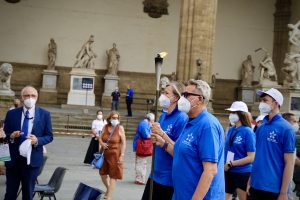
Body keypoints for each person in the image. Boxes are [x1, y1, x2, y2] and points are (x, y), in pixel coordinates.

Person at [151, 79, 225, 199]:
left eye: (186, 95)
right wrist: (163, 143)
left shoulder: (207, 125)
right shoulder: (189, 122)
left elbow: (210, 170)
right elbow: (180, 153)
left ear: (200, 99)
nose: (182, 99)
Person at [3, 86, 53, 200]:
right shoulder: (12, 114)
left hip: (32, 161)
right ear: (21, 98)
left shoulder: (45, 114)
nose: (30, 98)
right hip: (13, 161)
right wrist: (10, 136)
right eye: (26, 96)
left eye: (33, 96)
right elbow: (3, 136)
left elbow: (49, 136)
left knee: (28, 195)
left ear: (37, 97)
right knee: (10, 194)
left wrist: (38, 140)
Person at [142, 81, 188, 200]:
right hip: (154, 174)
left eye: (166, 93)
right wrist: (154, 138)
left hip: (168, 179)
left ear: (176, 97)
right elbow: (157, 140)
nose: (162, 96)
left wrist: (162, 140)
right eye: (163, 92)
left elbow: (179, 150)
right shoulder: (163, 115)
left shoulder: (181, 118)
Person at [247, 88, 295, 200]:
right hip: (255, 186)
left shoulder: (286, 129)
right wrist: (250, 181)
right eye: (261, 100)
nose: (261, 103)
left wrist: (283, 193)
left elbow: (290, 163)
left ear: (276, 104)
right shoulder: (261, 127)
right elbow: (257, 157)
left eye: (265, 100)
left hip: (273, 189)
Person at [224, 101, 256, 200]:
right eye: (230, 112)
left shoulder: (248, 132)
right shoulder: (230, 129)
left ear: (241, 114)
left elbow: (251, 157)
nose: (231, 115)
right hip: (228, 171)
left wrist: (231, 163)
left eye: (234, 112)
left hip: (242, 173)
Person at [98, 111, 126, 200]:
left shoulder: (120, 128)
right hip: (104, 154)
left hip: (115, 155)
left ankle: (109, 196)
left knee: (113, 176)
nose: (115, 119)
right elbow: (100, 137)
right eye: (113, 118)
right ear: (109, 118)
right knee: (102, 174)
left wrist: (122, 155)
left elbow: (123, 143)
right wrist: (102, 143)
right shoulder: (105, 127)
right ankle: (108, 189)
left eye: (117, 118)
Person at [133, 113, 155, 185]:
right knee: (141, 162)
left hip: (140, 145)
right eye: (153, 120)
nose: (153, 122)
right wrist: (154, 135)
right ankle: (140, 179)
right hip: (142, 146)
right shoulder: (144, 124)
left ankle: (139, 178)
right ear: (150, 119)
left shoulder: (144, 123)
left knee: (141, 161)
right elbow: (146, 135)